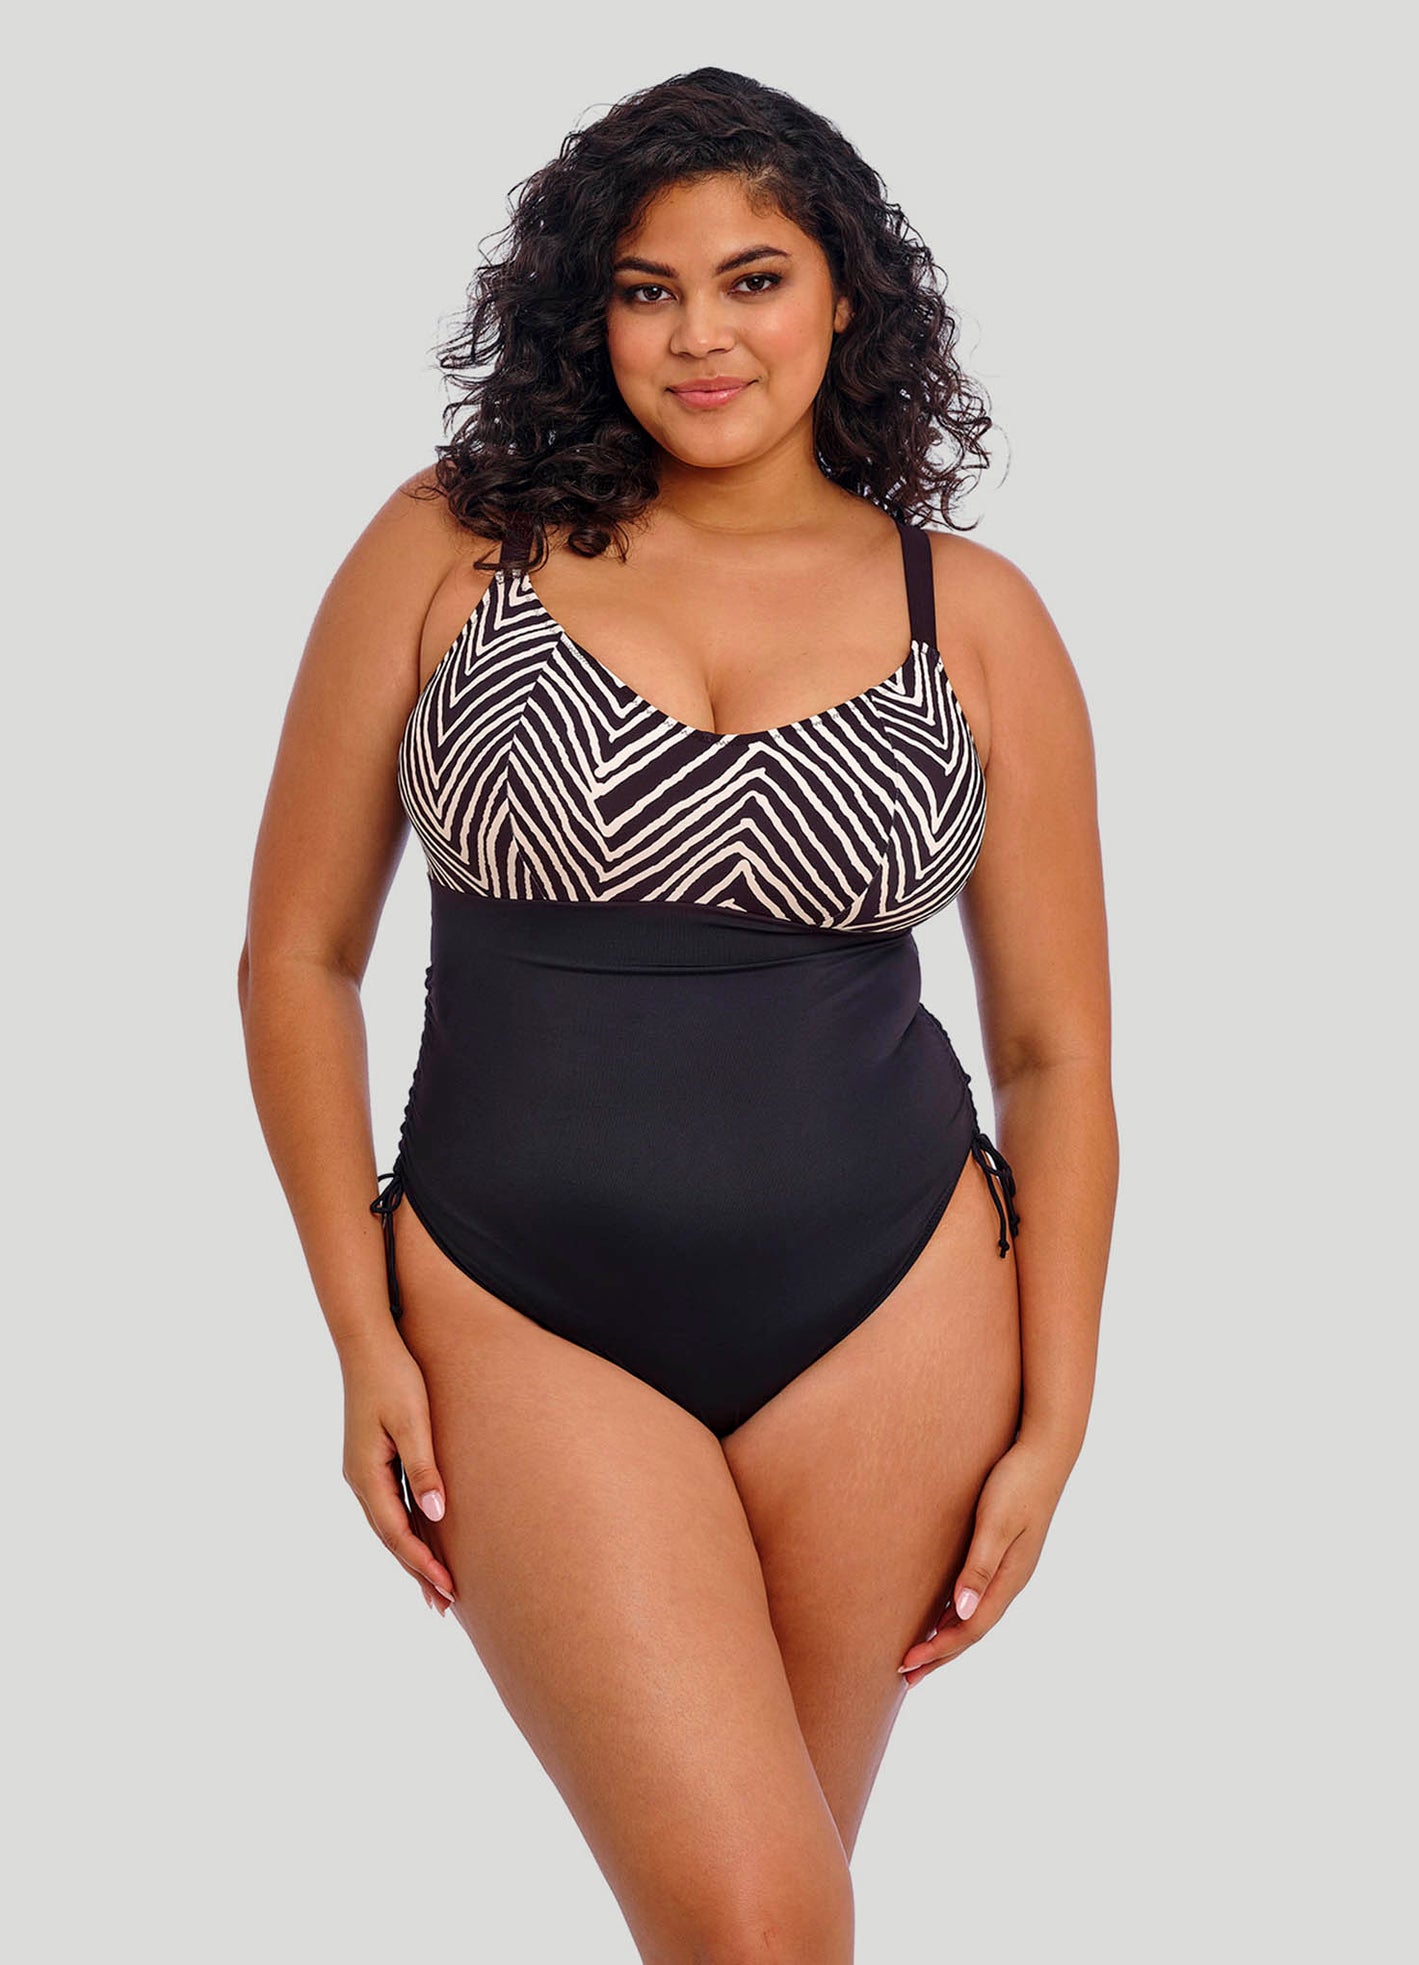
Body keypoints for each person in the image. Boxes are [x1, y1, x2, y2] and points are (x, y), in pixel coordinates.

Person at [238, 65, 1117, 1964]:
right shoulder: (451, 545)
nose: (701, 336)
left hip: (893, 1315)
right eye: (648, 290)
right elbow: (295, 957)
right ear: (590, 312)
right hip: (512, 1297)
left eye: (752, 279)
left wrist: (1057, 1413)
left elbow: (1055, 1052)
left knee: (757, 1927)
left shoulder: (969, 614)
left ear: (844, 296)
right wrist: (356, 1327)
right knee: (754, 1916)